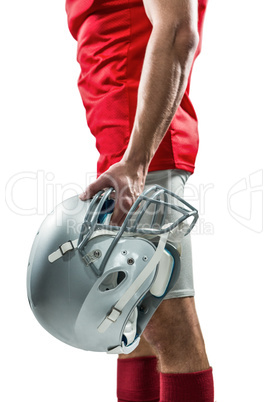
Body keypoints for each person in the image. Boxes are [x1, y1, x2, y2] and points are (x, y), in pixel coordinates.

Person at [65, 0, 214, 400]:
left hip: (143, 155)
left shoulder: (139, 158)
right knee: (132, 322)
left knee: (171, 324)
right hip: (123, 150)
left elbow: (179, 30)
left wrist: (136, 161)